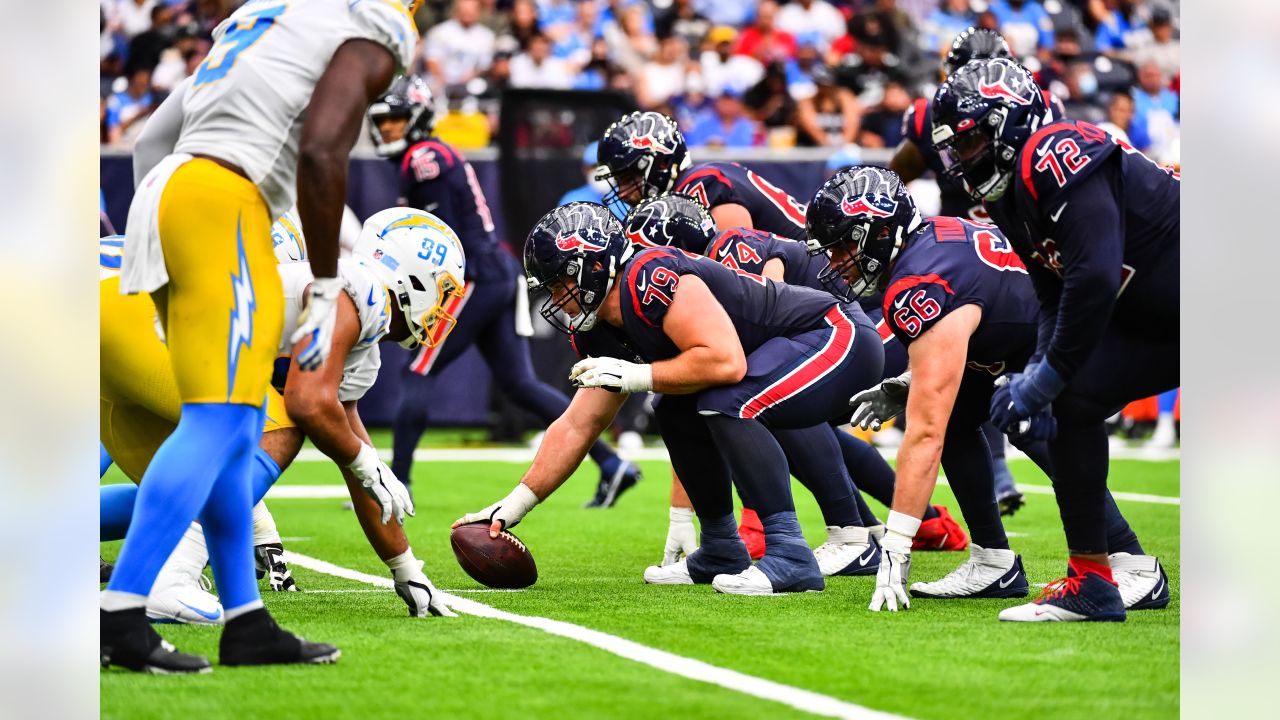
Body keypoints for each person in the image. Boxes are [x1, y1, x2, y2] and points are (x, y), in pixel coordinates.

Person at [104, 0, 421, 673]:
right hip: (226, 204)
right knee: (219, 423)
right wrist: (330, 284)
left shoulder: (270, 17)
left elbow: (153, 140)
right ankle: (122, 614)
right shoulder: (378, 22)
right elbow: (323, 147)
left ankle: (246, 620)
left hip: (170, 193)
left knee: (241, 424)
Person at [456, 202, 886, 595]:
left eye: (562, 281)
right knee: (673, 406)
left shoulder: (650, 277)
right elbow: (578, 424)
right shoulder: (598, 327)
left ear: (591, 266)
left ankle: (791, 552)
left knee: (728, 398)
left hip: (834, 335)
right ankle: (720, 546)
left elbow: (724, 362)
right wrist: (512, 505)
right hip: (785, 353)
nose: (556, 298)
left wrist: (639, 374)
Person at [805, 166, 1168, 609]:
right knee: (961, 414)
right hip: (1033, 333)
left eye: (844, 244)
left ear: (881, 231)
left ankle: (1131, 562)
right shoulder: (929, 241)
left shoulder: (919, 282)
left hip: (1077, 332)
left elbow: (923, 434)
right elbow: (969, 328)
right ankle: (992, 560)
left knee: (1034, 421)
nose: (837, 260)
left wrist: (896, 547)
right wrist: (908, 382)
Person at [100, 211, 461, 626]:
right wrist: (366, 463)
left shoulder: (362, 339)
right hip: (142, 318)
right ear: (413, 277)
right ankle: (170, 579)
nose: (442, 311)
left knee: (175, 494)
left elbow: (354, 459)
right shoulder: (364, 288)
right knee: (285, 422)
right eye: (442, 292)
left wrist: (405, 568)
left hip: (116, 330)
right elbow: (308, 405)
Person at [931, 58, 1179, 621]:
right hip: (1164, 313)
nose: (962, 163)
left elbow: (1092, 277)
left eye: (969, 143)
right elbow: (1052, 291)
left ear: (1008, 122)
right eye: (954, 150)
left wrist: (1045, 377)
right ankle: (1093, 581)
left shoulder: (1055, 150)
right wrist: (1039, 371)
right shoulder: (1008, 194)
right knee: (1073, 403)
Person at [622, 193, 971, 560]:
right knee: (754, 399)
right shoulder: (703, 277)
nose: (641, 274)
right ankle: (881, 527)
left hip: (862, 328)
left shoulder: (730, 248)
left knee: (760, 397)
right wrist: (681, 513)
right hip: (835, 334)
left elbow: (771, 313)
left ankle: (852, 532)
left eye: (648, 260)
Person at [367, 77, 641, 507]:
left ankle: (396, 482)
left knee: (418, 370)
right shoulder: (430, 155)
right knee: (518, 383)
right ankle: (611, 464)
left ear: (417, 118)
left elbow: (436, 238)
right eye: (383, 121)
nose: (388, 129)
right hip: (493, 271)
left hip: (473, 274)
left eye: (397, 119)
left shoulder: (424, 157)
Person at [595, 110, 812, 553]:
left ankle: (786, 527)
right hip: (794, 304)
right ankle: (889, 526)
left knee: (750, 401)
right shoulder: (682, 196)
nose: (622, 190)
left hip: (818, 298)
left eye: (628, 176)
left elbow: (744, 273)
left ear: (655, 163)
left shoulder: (703, 187)